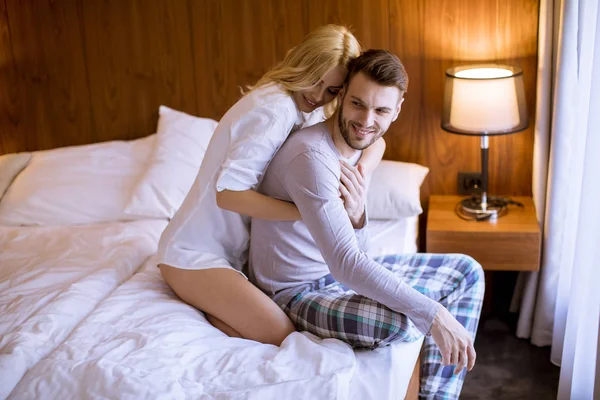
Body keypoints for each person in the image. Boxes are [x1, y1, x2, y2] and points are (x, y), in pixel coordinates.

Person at [248, 49, 485, 399]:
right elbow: (347, 264)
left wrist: (358, 217)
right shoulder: (311, 157)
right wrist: (434, 314)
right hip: (298, 293)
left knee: (466, 271)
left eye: (381, 110)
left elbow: (362, 254)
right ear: (341, 95)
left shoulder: (361, 145)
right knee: (406, 319)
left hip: (336, 279)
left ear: (397, 110)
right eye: (358, 104)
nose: (366, 120)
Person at [157, 25, 387, 346]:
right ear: (301, 63)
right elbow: (228, 196)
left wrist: (360, 171)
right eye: (315, 79)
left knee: (285, 327)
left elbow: (376, 143)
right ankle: (204, 305)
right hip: (194, 255)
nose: (318, 95)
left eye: (332, 90)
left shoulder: (306, 109)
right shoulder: (274, 109)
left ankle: (223, 304)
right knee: (281, 334)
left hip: (236, 257)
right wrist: (308, 212)